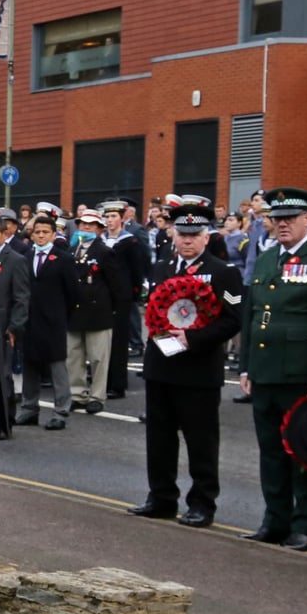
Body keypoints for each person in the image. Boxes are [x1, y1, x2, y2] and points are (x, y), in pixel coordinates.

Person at [238, 188, 307, 551]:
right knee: (271, 453)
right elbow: (253, 316)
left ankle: (304, 526)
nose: (282, 224)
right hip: (266, 370)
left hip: (302, 373)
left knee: (305, 452)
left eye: (290, 218)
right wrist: (246, 367)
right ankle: (275, 520)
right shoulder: (268, 258)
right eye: (276, 218)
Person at [129, 202, 245, 527]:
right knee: (159, 438)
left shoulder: (225, 272)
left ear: (207, 237)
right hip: (161, 366)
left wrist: (192, 339)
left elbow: (233, 320)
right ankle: (161, 497)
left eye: (195, 235)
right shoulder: (162, 267)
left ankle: (202, 503)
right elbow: (151, 310)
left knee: (201, 441)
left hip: (199, 369)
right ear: (173, 235)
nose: (188, 240)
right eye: (182, 234)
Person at [14, 208, 75, 430]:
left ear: (52, 234)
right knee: (30, 364)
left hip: (54, 321)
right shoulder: (26, 257)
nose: (40, 235)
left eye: (45, 232)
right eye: (37, 231)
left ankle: (61, 411)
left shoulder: (63, 258)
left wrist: (62, 315)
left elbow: (72, 293)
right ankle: (30, 408)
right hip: (30, 320)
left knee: (57, 366)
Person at [66, 209, 127, 414]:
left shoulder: (104, 251)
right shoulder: (72, 248)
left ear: (100, 229)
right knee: (74, 355)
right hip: (75, 310)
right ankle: (77, 394)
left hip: (98, 311)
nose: (85, 227)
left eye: (91, 225)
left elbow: (116, 283)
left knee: (98, 357)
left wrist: (115, 310)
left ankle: (97, 396)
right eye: (82, 224)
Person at [0, 210, 32, 437]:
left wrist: (15, 326)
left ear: (3, 233)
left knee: (3, 377)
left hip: (4, 328)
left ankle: (4, 422)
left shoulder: (15, 260)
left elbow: (21, 298)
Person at [99, 200, 146, 398]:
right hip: (103, 296)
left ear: (122, 218)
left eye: (113, 217)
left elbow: (137, 269)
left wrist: (133, 294)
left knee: (118, 341)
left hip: (122, 296)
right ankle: (103, 380)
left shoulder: (130, 241)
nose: (110, 221)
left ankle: (117, 384)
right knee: (102, 340)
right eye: (107, 217)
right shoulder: (101, 240)